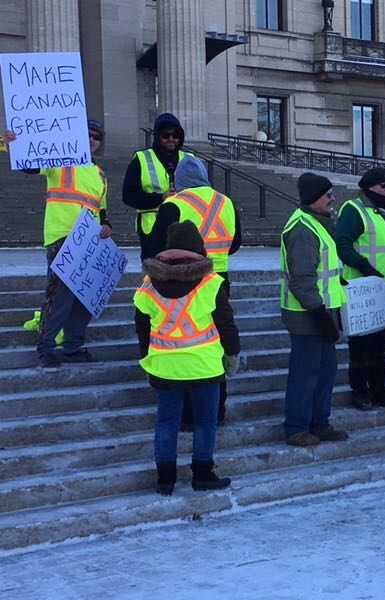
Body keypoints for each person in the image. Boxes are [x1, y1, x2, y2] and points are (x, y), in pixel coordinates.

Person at [134, 221, 240, 495]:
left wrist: (147, 357)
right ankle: (203, 474)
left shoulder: (148, 284)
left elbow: (142, 327)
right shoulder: (211, 283)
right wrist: (233, 354)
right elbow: (226, 324)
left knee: (167, 421)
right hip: (204, 366)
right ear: (199, 248)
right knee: (205, 421)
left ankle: (165, 479)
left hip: (165, 366)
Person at [3, 122, 113, 371]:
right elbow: (30, 166)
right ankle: (47, 348)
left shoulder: (100, 174)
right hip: (62, 235)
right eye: (88, 134)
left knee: (86, 297)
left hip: (89, 241)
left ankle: (73, 346)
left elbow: (101, 208)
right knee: (59, 296)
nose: (93, 139)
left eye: (97, 136)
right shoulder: (60, 159)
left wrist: (106, 225)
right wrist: (15, 144)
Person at [148, 155, 242, 427]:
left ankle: (186, 414)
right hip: (219, 279)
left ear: (178, 182)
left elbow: (155, 247)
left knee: (184, 343)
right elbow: (235, 243)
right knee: (214, 342)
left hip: (181, 280)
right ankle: (215, 411)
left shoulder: (173, 204)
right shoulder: (226, 202)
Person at [280, 172, 350, 447]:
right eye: (327, 194)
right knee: (306, 372)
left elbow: (324, 271)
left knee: (324, 370)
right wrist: (321, 316)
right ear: (312, 199)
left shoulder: (316, 223)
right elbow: (302, 280)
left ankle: (320, 424)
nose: (333, 198)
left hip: (323, 311)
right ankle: (297, 427)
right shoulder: (302, 229)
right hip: (307, 315)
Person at [336, 167, 385, 410]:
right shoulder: (354, 210)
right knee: (360, 344)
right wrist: (363, 266)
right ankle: (360, 391)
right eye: (383, 186)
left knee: (380, 344)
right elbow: (342, 245)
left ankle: (379, 390)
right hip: (362, 286)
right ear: (368, 187)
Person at [122, 113, 190, 258]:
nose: (171, 139)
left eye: (175, 134)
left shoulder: (188, 159)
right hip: (153, 229)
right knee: (155, 276)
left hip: (183, 226)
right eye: (166, 135)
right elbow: (128, 196)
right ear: (158, 136)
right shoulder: (141, 158)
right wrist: (161, 197)